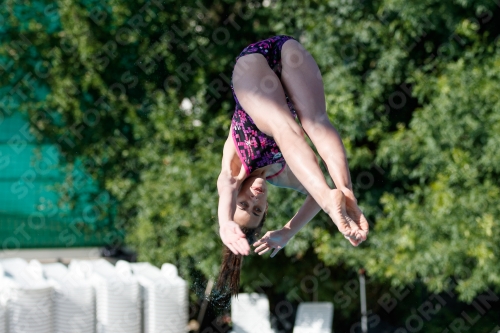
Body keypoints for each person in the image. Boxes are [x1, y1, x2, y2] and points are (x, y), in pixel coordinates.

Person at [216, 35, 369, 295]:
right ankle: (348, 191)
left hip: (252, 67)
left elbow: (225, 188)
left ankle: (334, 207)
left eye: (244, 204)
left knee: (284, 128)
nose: (255, 199)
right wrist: (288, 232)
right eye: (257, 210)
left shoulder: (235, 167)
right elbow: (314, 194)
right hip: (290, 52)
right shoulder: (283, 175)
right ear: (266, 210)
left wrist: (225, 223)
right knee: (317, 122)